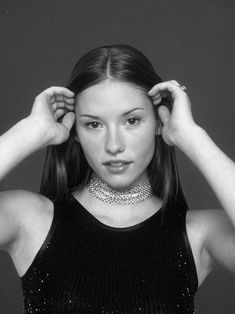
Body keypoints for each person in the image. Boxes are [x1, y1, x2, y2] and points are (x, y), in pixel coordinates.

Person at [0, 44, 234, 314]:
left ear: (159, 122)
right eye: (94, 124)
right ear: (75, 129)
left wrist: (192, 136)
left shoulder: (198, 234)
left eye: (132, 121)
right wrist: (30, 132)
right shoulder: (30, 220)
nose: (114, 145)